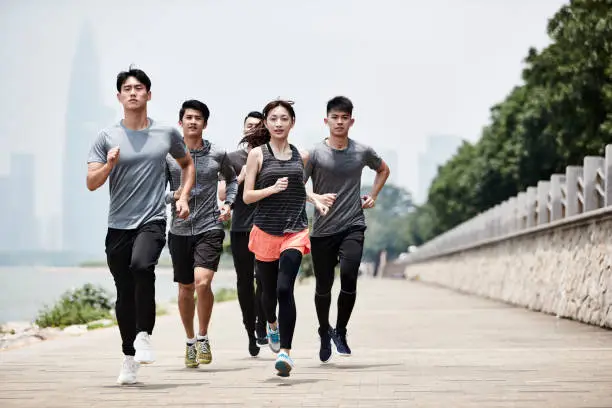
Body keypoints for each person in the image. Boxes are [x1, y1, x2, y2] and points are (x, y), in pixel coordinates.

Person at [86, 67, 195, 385]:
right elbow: (91, 182)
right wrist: (108, 164)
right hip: (118, 224)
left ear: (148, 94)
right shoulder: (106, 137)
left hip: (152, 220)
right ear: (119, 96)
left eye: (139, 88)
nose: (133, 92)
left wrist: (184, 196)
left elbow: (187, 164)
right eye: (127, 88)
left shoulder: (165, 134)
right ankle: (129, 357)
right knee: (124, 292)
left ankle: (144, 335)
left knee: (142, 266)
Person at [243, 100, 327, 377]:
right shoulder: (257, 154)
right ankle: (271, 323)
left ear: (292, 122)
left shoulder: (300, 156)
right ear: (266, 123)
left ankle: (286, 354)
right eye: (273, 118)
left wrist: (315, 199)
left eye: (284, 118)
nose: (278, 123)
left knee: (283, 289)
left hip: (295, 230)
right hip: (265, 230)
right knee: (267, 295)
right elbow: (248, 196)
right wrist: (271, 190)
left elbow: (298, 189)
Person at [304, 96, 390, 363]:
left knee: (350, 277)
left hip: (353, 224)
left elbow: (383, 169)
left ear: (351, 121)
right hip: (322, 230)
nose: (339, 122)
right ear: (326, 120)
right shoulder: (315, 153)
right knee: (324, 286)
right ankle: (323, 330)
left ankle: (340, 330)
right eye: (335, 117)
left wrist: (373, 195)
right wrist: (315, 199)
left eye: (344, 118)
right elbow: (299, 185)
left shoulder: (362, 151)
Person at [165, 99, 238, 368]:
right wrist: (174, 196)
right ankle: (189, 341)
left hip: (210, 226)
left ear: (205, 124)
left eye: (198, 118)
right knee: (185, 288)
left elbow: (232, 180)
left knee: (202, 283)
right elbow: (155, 192)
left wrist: (228, 203)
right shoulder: (168, 157)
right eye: (188, 117)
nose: (193, 121)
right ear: (180, 122)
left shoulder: (217, 154)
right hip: (179, 230)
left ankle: (204, 336)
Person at [219, 111, 271, 357]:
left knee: (265, 279)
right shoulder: (231, 157)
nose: (252, 130)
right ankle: (250, 331)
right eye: (249, 126)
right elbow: (221, 193)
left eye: (257, 126)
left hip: (267, 226)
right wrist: (240, 178)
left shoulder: (272, 155)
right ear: (243, 129)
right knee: (244, 282)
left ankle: (262, 324)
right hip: (241, 228)